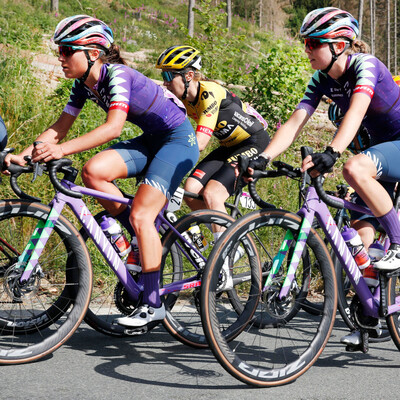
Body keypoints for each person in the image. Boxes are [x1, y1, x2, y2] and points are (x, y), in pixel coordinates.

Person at [5, 15, 199, 329]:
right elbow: (59, 128)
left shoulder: (118, 75)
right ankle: (137, 236)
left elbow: (113, 128)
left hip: (178, 141)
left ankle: (153, 304)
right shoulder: (82, 85)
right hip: (151, 140)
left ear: (93, 53)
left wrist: (60, 151)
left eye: (67, 50)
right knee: (93, 172)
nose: (60, 57)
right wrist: (22, 157)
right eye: (60, 50)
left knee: (142, 215)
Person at [247, 7, 400, 346]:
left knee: (353, 167)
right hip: (381, 153)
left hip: (397, 144)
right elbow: (294, 121)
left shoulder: (366, 66)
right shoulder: (322, 79)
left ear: (340, 44)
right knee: (361, 239)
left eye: (313, 43)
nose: (306, 50)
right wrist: (263, 157)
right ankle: (370, 314)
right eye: (305, 42)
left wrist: (331, 152)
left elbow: (358, 110)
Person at [155, 45, 270, 239]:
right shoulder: (182, 100)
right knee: (191, 191)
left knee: (212, 194)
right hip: (228, 146)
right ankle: (233, 242)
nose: (165, 83)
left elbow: (199, 143)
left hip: (254, 142)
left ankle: (223, 254)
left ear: (188, 75)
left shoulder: (209, 94)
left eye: (168, 76)